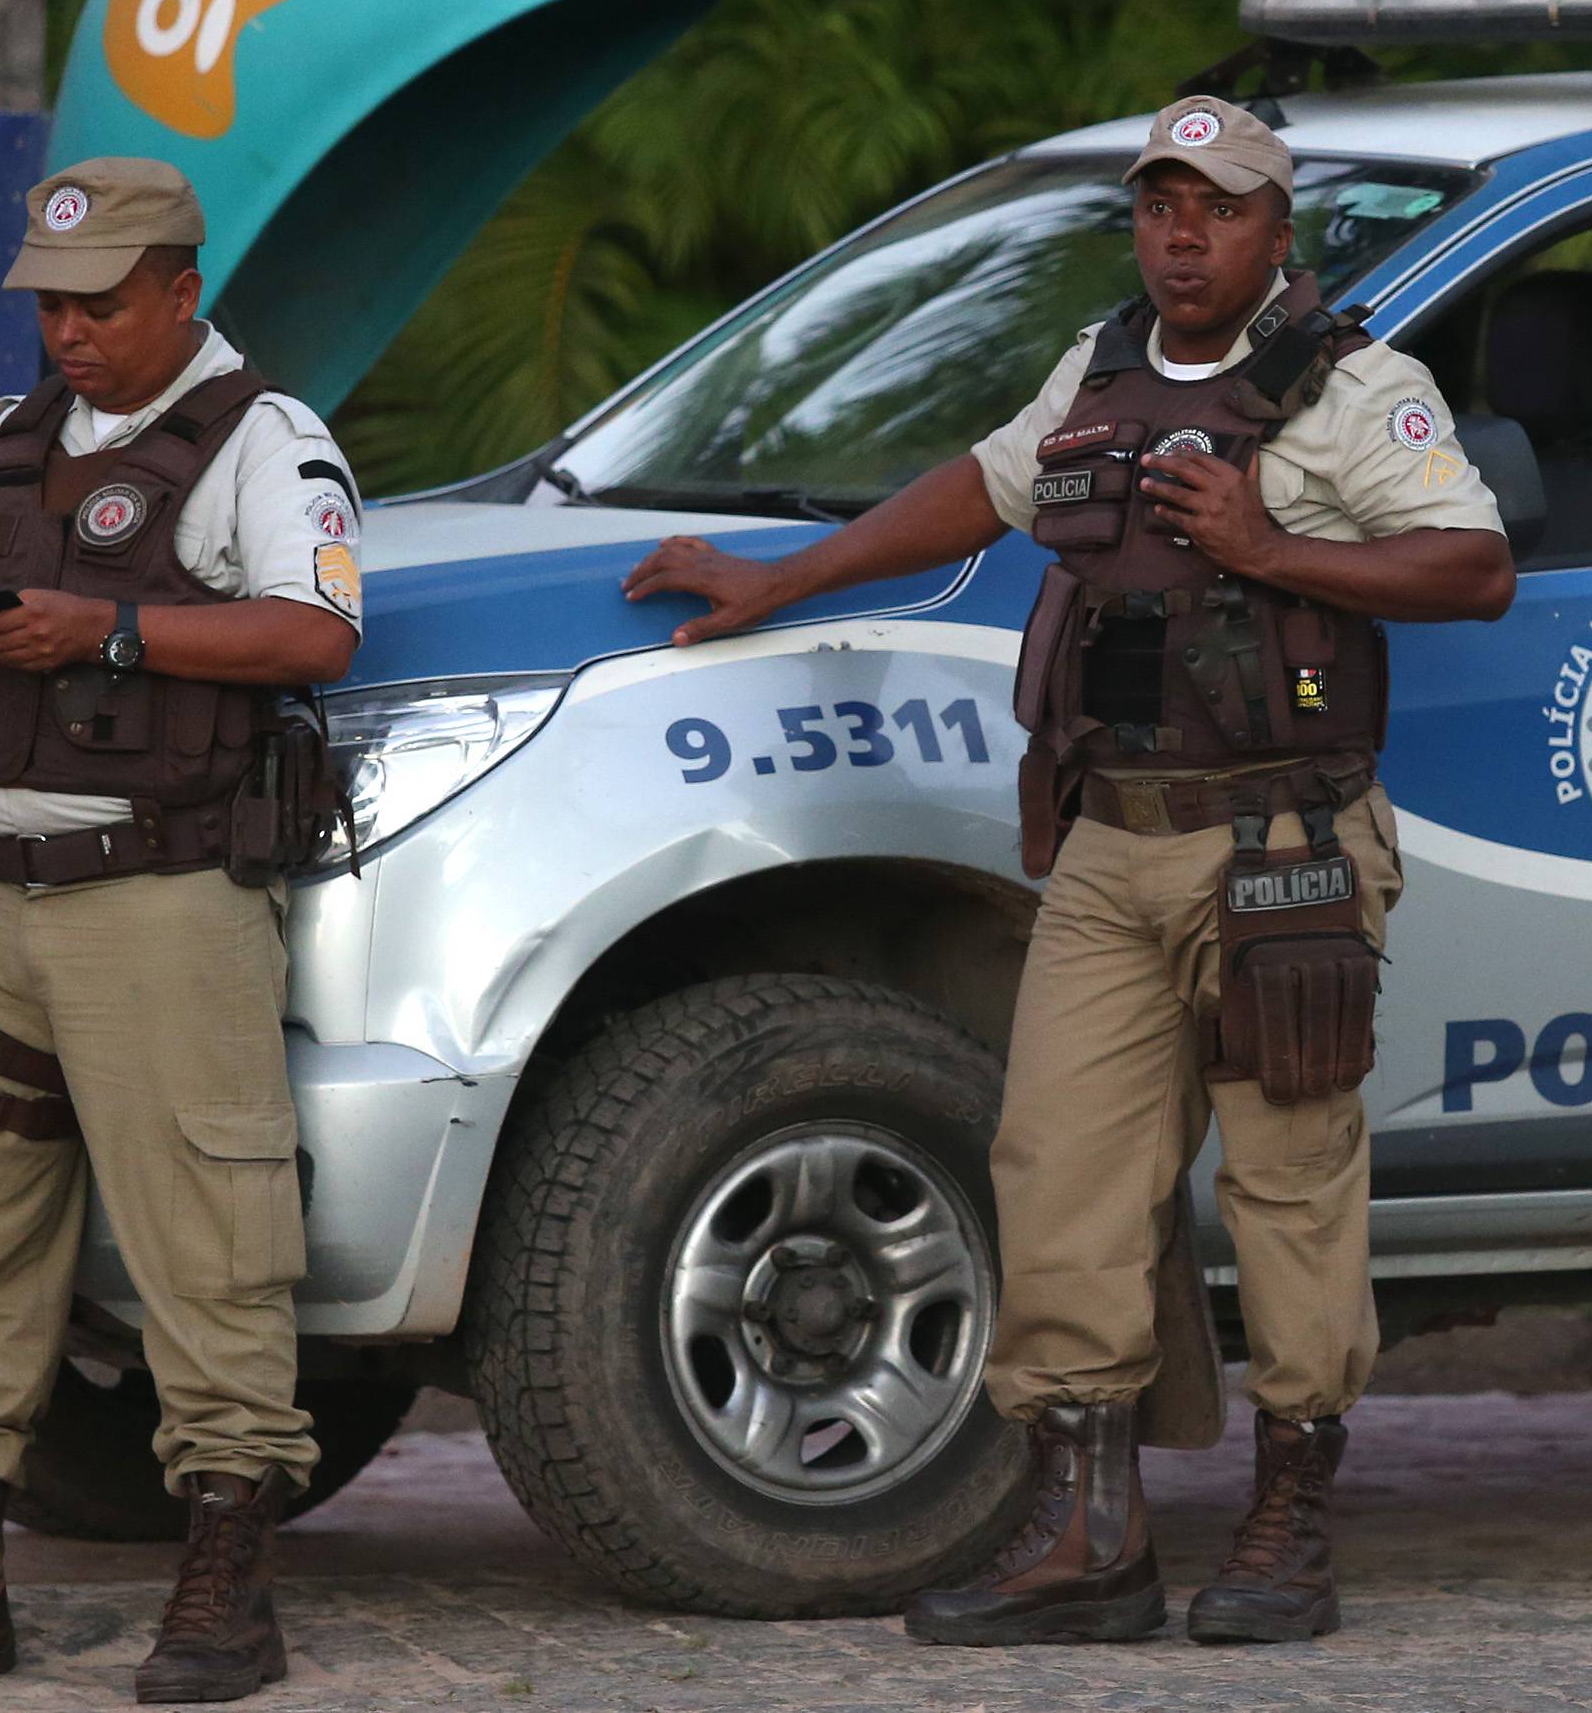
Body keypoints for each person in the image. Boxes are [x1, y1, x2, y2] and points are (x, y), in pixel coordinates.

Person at [623, 96, 1515, 1648]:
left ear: (1275, 232)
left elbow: (1474, 567)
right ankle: (1086, 1532)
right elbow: (978, 487)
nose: (1184, 232)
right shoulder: (1098, 375)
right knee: (1057, 1170)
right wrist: (785, 575)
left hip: (1280, 852)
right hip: (1112, 845)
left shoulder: (1357, 391)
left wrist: (1268, 544)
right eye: (1162, 204)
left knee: (1292, 1185)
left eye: (1220, 208)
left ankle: (1292, 1514)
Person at [0, 157, 364, 1703]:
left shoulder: (265, 438)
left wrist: (110, 628)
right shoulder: (9, 437)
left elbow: (320, 627)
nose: (68, 332)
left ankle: (227, 1581)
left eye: (99, 304)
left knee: (211, 1247)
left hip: (161, 902)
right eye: (51, 302)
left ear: (183, 290)